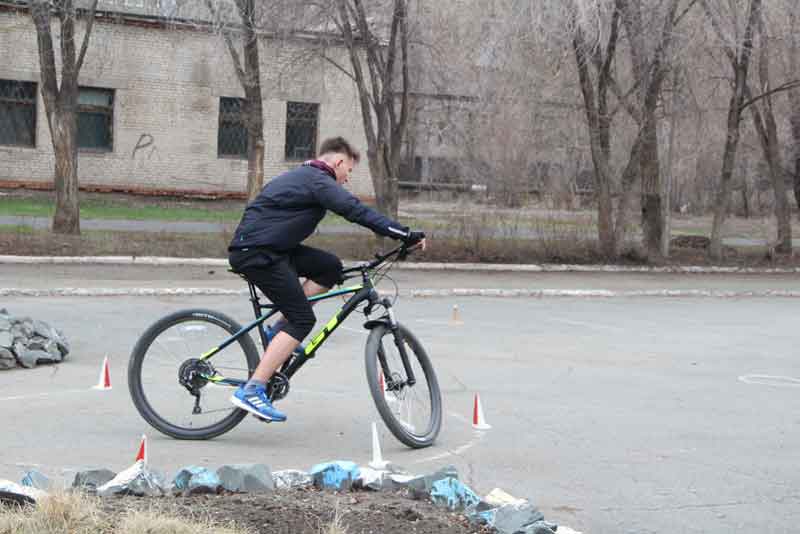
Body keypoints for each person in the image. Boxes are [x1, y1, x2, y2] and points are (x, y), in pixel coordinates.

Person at [227, 136, 426, 422]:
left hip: (274, 249)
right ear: (339, 162)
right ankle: (253, 389)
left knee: (329, 268)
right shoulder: (317, 180)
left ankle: (277, 330)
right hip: (257, 253)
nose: (347, 179)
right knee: (303, 320)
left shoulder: (306, 177)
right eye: (349, 172)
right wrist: (404, 233)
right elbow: (354, 210)